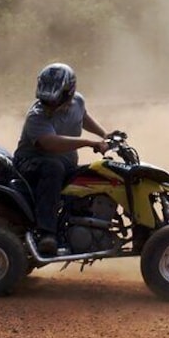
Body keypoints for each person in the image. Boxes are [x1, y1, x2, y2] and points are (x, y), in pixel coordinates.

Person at [13, 62, 110, 255]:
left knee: (99, 172)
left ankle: (84, 225)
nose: (49, 106)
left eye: (53, 101)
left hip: (64, 164)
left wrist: (105, 135)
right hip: (30, 164)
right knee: (53, 167)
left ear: (69, 93)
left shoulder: (78, 101)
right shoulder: (36, 116)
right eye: (45, 101)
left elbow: (83, 117)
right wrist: (89, 143)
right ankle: (47, 234)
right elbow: (51, 144)